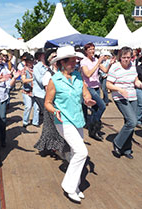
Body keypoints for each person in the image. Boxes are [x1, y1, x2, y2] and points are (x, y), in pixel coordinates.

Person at [45, 45, 96, 203]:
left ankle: (76, 186)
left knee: (76, 153)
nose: (75, 63)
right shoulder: (54, 80)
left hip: (78, 119)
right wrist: (55, 111)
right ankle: (68, 186)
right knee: (82, 152)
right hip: (63, 121)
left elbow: (85, 92)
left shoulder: (78, 76)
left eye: (75, 60)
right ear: (62, 62)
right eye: (71, 61)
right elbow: (48, 102)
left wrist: (87, 100)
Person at [106, 47, 142, 159]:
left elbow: (135, 80)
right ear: (120, 57)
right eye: (124, 57)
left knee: (129, 123)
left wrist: (141, 85)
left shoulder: (133, 66)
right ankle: (118, 142)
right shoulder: (115, 67)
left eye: (128, 57)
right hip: (120, 97)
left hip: (132, 97)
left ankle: (126, 149)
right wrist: (120, 90)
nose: (126, 60)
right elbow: (108, 84)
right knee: (132, 122)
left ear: (132, 58)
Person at [34, 49, 70, 159]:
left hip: (62, 103)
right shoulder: (48, 74)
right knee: (51, 128)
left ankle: (53, 147)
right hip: (52, 104)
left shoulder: (63, 73)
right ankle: (54, 148)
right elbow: (48, 91)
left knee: (55, 128)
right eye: (54, 58)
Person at [81, 43, 113, 141]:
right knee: (102, 106)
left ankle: (92, 128)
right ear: (86, 51)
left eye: (93, 49)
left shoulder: (96, 60)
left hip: (96, 86)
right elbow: (88, 74)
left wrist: (110, 64)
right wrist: (98, 63)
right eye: (90, 49)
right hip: (88, 87)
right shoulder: (84, 61)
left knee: (95, 109)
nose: (92, 51)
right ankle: (94, 127)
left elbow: (105, 71)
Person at [21, 53, 40, 128]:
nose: (31, 63)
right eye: (29, 61)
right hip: (27, 91)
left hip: (35, 91)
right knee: (28, 107)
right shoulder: (24, 70)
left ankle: (35, 122)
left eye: (32, 61)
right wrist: (33, 79)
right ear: (26, 62)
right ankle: (25, 121)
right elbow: (23, 80)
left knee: (37, 107)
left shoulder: (35, 69)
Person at [33, 49, 48, 118]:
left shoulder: (50, 66)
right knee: (46, 113)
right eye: (44, 54)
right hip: (40, 94)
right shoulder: (36, 67)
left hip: (49, 93)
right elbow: (40, 81)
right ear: (39, 56)